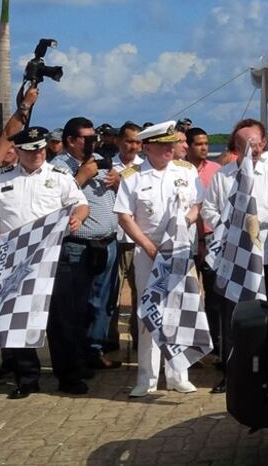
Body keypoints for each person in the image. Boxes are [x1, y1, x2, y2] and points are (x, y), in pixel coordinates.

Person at [0, 126, 90, 399]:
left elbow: (80, 204)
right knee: (19, 320)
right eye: (30, 150)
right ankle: (27, 378)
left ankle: (69, 376)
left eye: (40, 149)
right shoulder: (2, 180)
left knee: (61, 320)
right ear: (19, 151)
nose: (36, 154)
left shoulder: (59, 177)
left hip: (52, 256)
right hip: (15, 260)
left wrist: (79, 218)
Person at [114, 121, 205, 398]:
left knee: (179, 309)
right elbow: (124, 216)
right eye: (163, 146)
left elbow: (197, 205)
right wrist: (149, 246)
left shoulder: (187, 172)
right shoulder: (133, 176)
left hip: (178, 251)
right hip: (148, 252)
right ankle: (147, 377)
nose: (169, 150)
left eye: (171, 145)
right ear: (148, 147)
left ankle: (179, 375)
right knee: (148, 314)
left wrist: (183, 225)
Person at [202, 119, 268, 393]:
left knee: (267, 314)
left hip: (263, 257)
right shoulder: (223, 175)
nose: (251, 148)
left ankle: (266, 371)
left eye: (255, 143)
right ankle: (230, 372)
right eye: (244, 144)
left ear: (264, 143)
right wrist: (231, 229)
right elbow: (209, 211)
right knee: (230, 318)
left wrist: (251, 221)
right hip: (231, 258)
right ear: (235, 146)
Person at [52, 117, 123, 373]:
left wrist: (118, 182)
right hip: (78, 245)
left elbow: (118, 196)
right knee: (76, 305)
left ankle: (94, 350)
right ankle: (75, 359)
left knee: (103, 303)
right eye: (88, 139)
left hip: (108, 243)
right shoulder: (58, 166)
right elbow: (55, 200)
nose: (94, 143)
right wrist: (81, 176)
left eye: (96, 138)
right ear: (71, 140)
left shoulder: (102, 161)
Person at [186, 126, 222, 360]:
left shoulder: (217, 171)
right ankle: (191, 345)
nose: (205, 148)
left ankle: (215, 342)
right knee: (189, 294)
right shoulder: (183, 172)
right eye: (199, 144)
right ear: (187, 146)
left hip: (212, 240)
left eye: (207, 143)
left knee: (214, 294)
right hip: (188, 241)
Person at [107, 121, 144, 351]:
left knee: (140, 292)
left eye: (138, 142)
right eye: (129, 141)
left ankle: (140, 338)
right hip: (112, 237)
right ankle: (109, 340)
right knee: (110, 294)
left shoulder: (147, 167)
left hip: (137, 239)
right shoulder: (106, 165)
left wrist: (121, 184)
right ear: (119, 141)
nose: (134, 146)